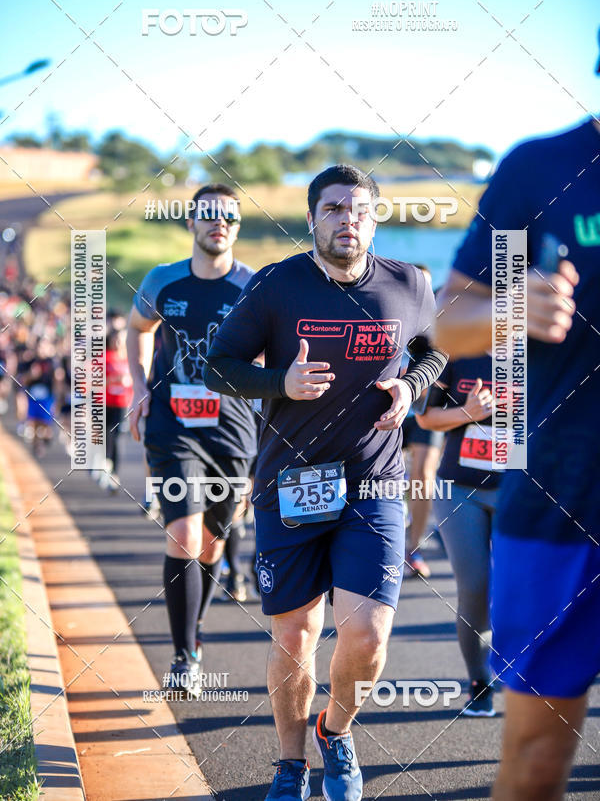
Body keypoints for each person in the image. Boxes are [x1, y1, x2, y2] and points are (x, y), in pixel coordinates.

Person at [204, 164, 447, 801]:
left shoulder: (409, 284)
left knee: (367, 637)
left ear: (375, 218)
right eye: (335, 208)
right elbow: (217, 365)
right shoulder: (276, 286)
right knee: (295, 636)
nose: (349, 220)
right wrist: (277, 384)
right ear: (313, 217)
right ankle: (290, 766)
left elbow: (435, 350)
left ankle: (335, 732)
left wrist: (413, 385)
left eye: (361, 209)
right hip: (291, 483)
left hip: (375, 482)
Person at [435, 63, 600, 799]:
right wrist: (511, 310)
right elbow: (444, 321)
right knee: (536, 755)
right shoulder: (541, 168)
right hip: (561, 495)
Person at [126, 183, 257, 692]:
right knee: (183, 533)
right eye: (208, 214)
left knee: (211, 543)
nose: (217, 223)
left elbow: (269, 362)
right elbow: (137, 329)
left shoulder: (254, 287)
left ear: (237, 227)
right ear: (191, 223)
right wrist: (139, 388)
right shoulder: (163, 281)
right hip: (173, 426)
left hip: (233, 431)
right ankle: (184, 658)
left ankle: (194, 632)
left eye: (228, 216)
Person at [416, 354, 499, 715]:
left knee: (527, 589)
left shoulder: (545, 347)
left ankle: (534, 679)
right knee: (475, 587)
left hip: (522, 489)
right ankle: (479, 682)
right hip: (459, 489)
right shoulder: (459, 350)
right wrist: (468, 412)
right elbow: (425, 417)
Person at [400, 265, 444, 579]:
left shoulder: (443, 311)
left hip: (426, 405)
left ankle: (413, 547)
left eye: (428, 287)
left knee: (424, 472)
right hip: (389, 404)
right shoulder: (392, 308)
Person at [103, 325, 133, 491]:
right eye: (115, 339)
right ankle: (105, 463)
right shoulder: (104, 358)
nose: (118, 342)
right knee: (106, 434)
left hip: (121, 404)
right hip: (105, 402)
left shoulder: (129, 359)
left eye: (121, 339)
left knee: (115, 437)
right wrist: (114, 379)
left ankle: (113, 470)